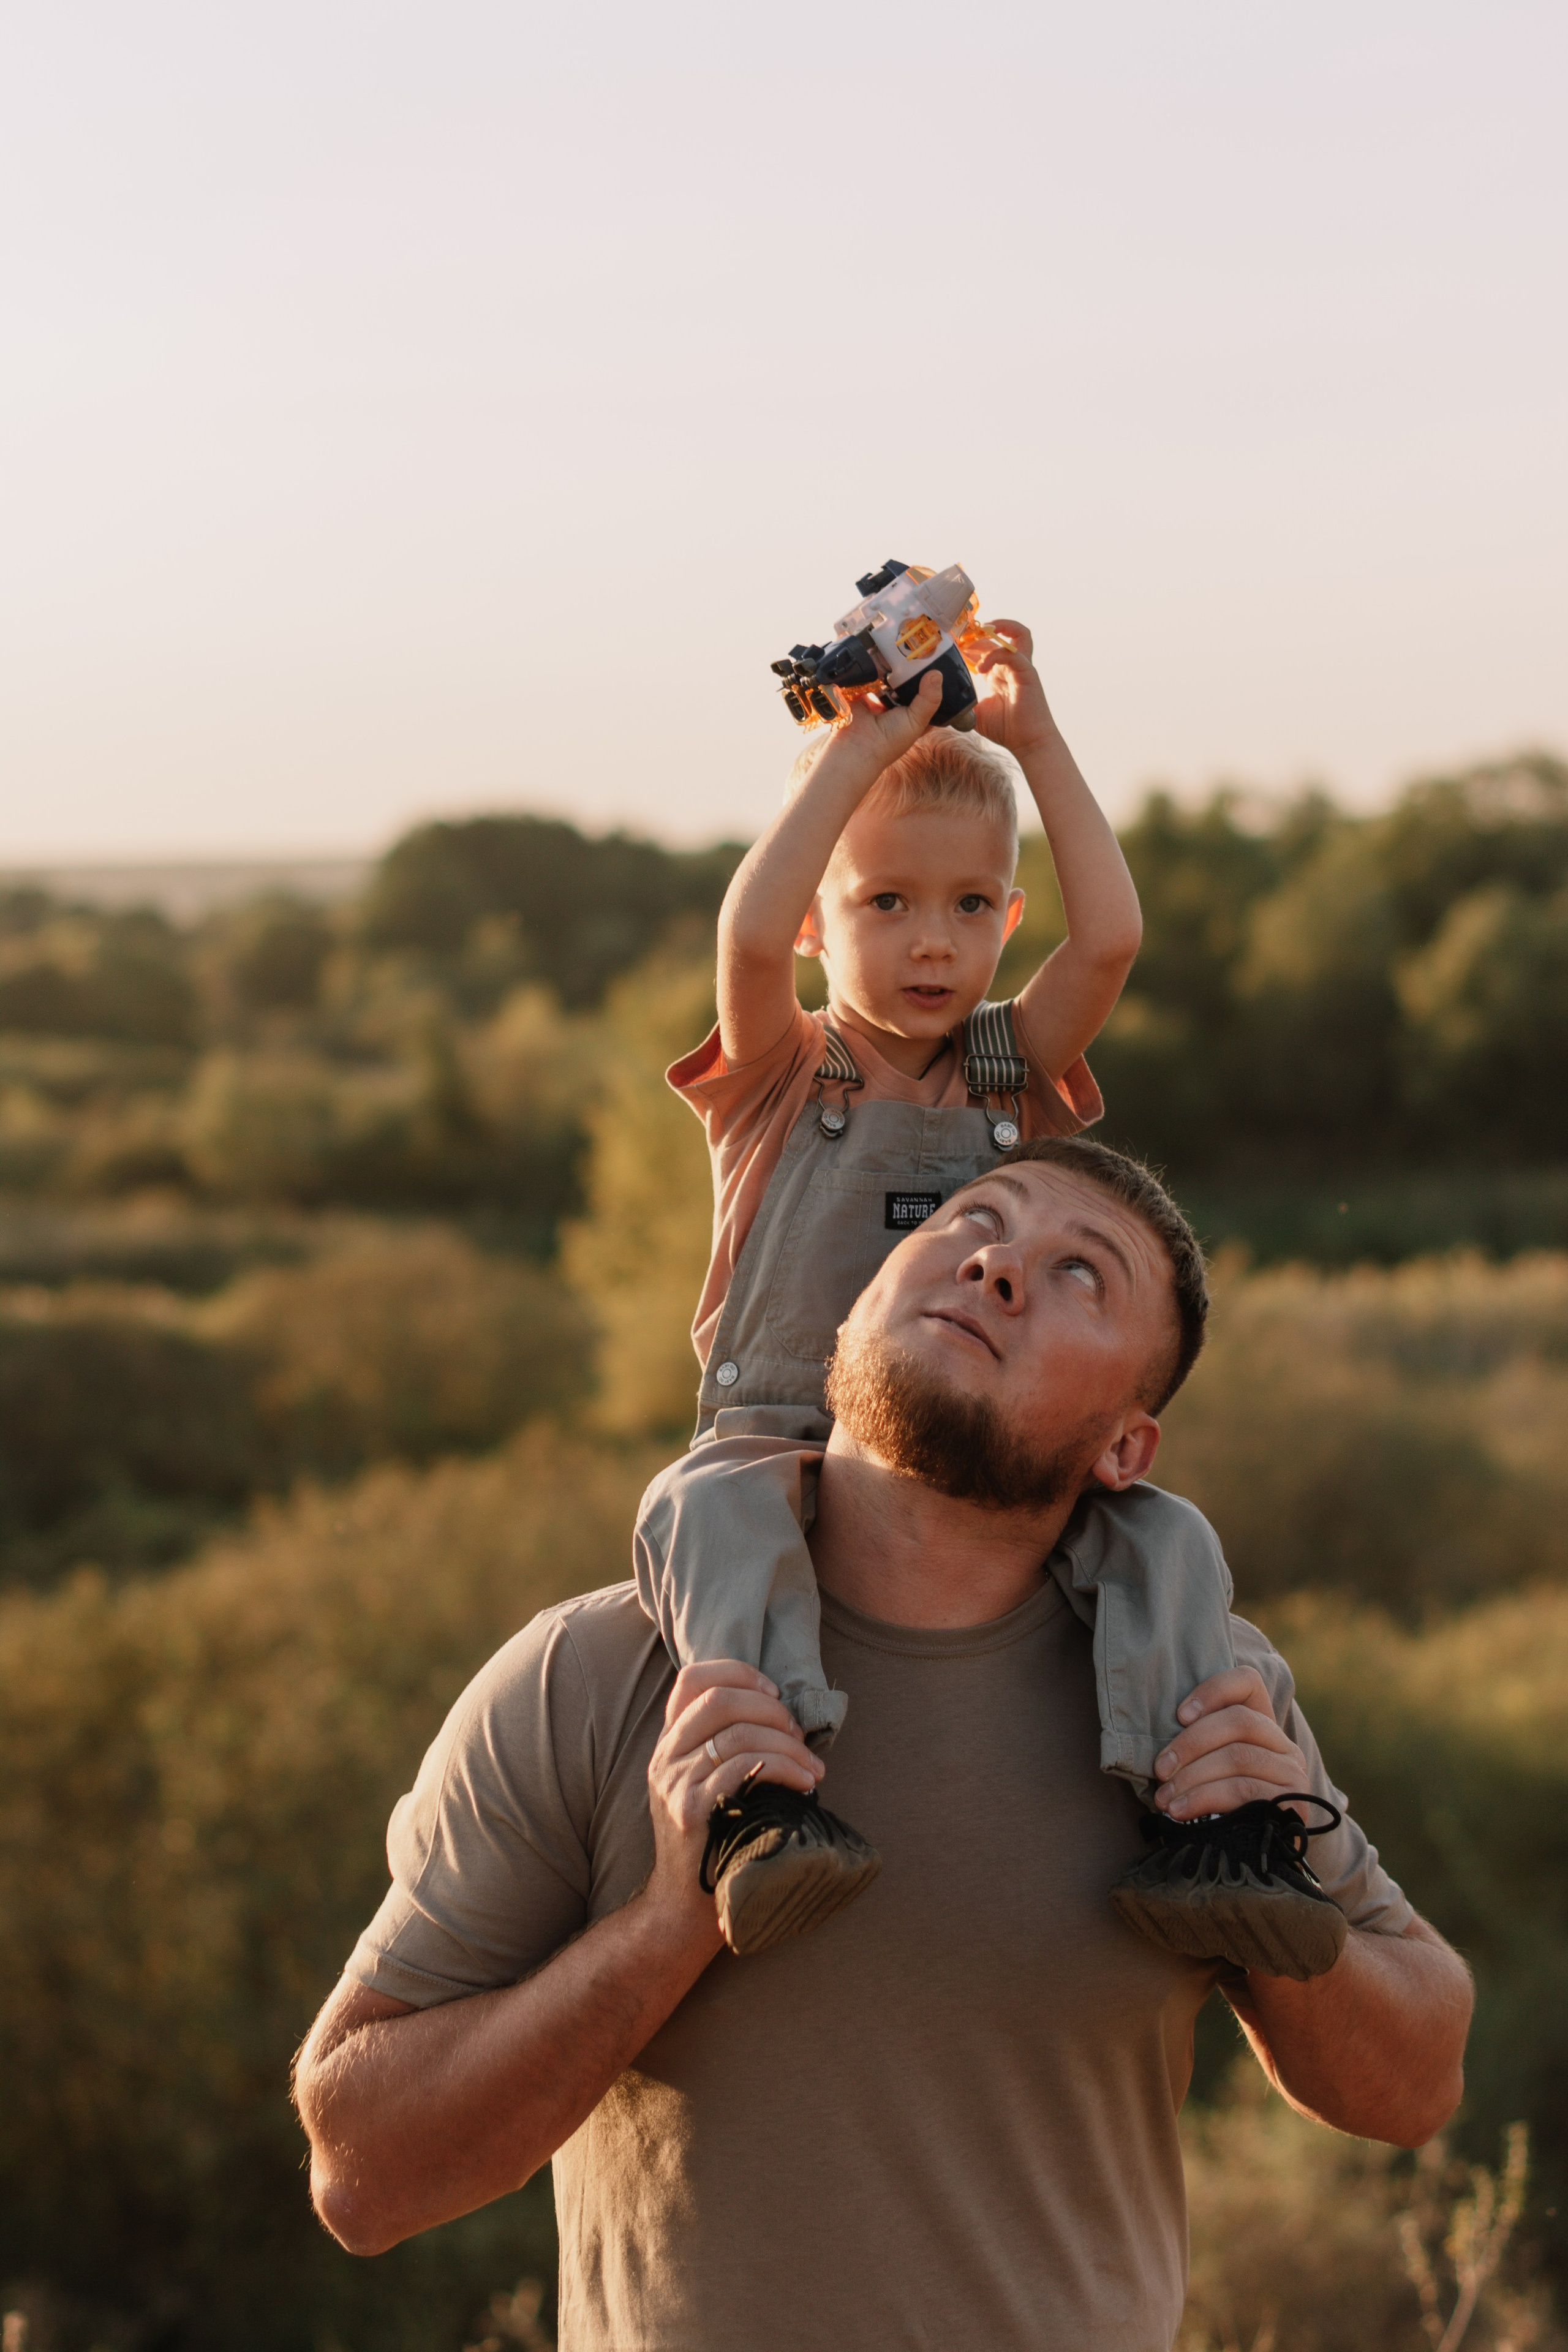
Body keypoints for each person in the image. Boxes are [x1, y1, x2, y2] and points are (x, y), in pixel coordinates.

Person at [295, 1140, 1473, 2351]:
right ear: (859, 1301)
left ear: (1125, 1449)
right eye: (973, 1220)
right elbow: (363, 2176)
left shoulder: (1199, 1697)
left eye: (1081, 1275)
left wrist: (1276, 1907)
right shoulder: (595, 1677)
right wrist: (668, 1922)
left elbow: (1414, 2087)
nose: (998, 1265)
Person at [633, 626, 1297, 1971]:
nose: (933, 943)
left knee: (1162, 1540)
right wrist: (857, 748)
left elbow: (1108, 936)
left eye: (972, 906)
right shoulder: (782, 1071)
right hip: (783, 1429)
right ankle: (765, 1805)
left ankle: (1205, 1825)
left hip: (974, 1441)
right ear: (823, 924)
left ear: (1004, 912)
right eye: (885, 903)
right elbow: (745, 927)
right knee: (701, 1510)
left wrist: (1034, 743)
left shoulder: (1004, 1070)